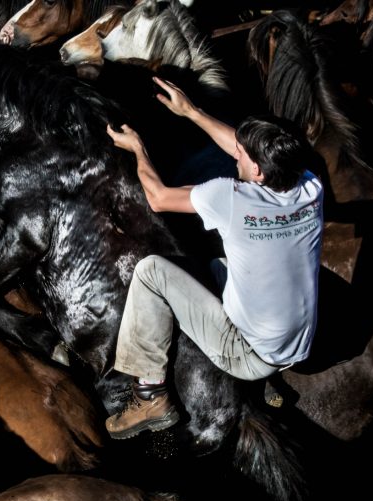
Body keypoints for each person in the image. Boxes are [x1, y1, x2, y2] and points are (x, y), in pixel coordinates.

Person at [104, 77, 324, 440]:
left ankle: (149, 395)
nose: (236, 151)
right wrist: (192, 112)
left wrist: (138, 148)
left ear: (257, 171)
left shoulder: (230, 198)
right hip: (300, 344)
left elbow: (158, 197)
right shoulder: (308, 185)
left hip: (249, 353)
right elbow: (244, 149)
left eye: (242, 153)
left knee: (150, 271)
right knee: (221, 264)